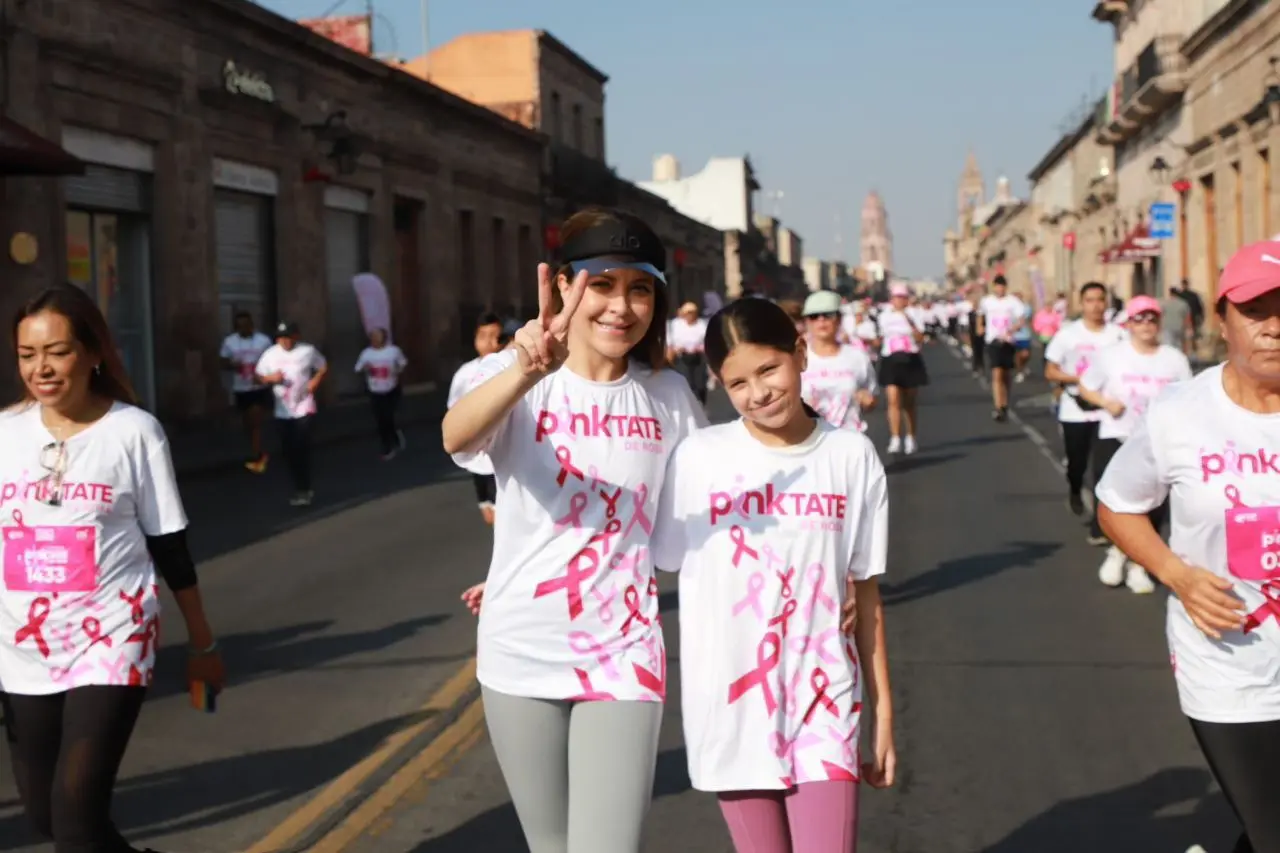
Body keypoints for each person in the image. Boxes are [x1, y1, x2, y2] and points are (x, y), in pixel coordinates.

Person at [443, 207, 706, 853]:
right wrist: (526, 371)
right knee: (552, 844)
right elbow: (458, 436)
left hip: (622, 649)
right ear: (563, 286)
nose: (621, 306)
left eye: (639, 288)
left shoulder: (669, 396)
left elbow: (705, 519)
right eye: (603, 284)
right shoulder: (506, 375)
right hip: (521, 644)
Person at [653, 297, 895, 853]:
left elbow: (867, 593)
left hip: (825, 700)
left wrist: (882, 715)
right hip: (733, 706)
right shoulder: (698, 458)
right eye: (738, 383)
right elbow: (641, 558)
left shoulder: (851, 456)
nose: (758, 393)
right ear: (719, 384)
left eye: (769, 369)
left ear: (800, 354)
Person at [0, 283, 225, 853]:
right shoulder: (4, 433)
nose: (41, 368)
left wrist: (202, 643)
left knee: (75, 823)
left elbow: (169, 543)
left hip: (112, 637)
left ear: (93, 352)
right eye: (28, 355)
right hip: (23, 646)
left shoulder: (133, 432)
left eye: (57, 351)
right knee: (50, 820)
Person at [1096, 240, 1280, 852]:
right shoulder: (1180, 414)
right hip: (1228, 661)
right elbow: (1118, 506)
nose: (1274, 327)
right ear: (1222, 318)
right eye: (1257, 310)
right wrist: (1177, 573)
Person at [1078, 295, 1193, 592]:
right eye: (1139, 319)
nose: (1146, 325)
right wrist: (1106, 401)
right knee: (1116, 503)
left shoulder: (1174, 359)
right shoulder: (1111, 356)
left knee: (1153, 507)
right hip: (1116, 435)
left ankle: (1139, 565)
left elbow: (1188, 399)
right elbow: (1085, 387)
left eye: (1152, 318)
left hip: (1158, 445)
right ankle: (1117, 552)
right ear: (1128, 323)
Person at [1044, 282, 1127, 519]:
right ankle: (1074, 488)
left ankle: (1102, 520)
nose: (1096, 306)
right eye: (1090, 300)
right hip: (1075, 408)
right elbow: (1050, 371)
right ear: (1081, 304)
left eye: (1100, 300)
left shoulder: (1118, 335)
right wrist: (1079, 379)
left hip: (1108, 410)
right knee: (1077, 463)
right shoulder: (1068, 335)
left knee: (1105, 467)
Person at [254, 322, 328, 508]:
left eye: (288, 337)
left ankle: (303, 490)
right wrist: (271, 379)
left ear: (296, 336)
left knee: (300, 448)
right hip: (282, 411)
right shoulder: (270, 354)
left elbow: (322, 366)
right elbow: (258, 376)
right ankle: (301, 485)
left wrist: (315, 381)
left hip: (304, 407)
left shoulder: (307, 351)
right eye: (281, 337)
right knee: (289, 451)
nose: (285, 341)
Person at [447, 312, 506, 526]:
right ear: (475, 339)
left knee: (503, 513)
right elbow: (454, 409)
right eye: (483, 336)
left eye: (495, 336)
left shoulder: (508, 367)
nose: (489, 342)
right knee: (487, 507)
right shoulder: (465, 373)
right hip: (477, 455)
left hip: (502, 452)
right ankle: (485, 505)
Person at [799, 290, 878, 433]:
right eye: (814, 316)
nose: (821, 320)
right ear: (806, 322)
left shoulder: (857, 357)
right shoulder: (796, 359)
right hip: (809, 441)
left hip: (849, 440)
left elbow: (871, 398)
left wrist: (868, 402)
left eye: (828, 315)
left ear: (839, 319)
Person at [875, 283, 928, 455]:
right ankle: (895, 437)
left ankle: (911, 437)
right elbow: (881, 337)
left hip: (911, 358)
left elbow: (920, 337)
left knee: (909, 403)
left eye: (903, 297)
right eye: (897, 297)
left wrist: (909, 321)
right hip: (891, 358)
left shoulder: (915, 314)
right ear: (892, 299)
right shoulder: (884, 316)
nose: (900, 300)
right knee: (893, 399)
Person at [218, 311, 273, 473]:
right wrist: (233, 365)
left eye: (246, 325)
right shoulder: (230, 342)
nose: (244, 329)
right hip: (241, 387)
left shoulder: (263, 341)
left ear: (252, 325)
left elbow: (272, 360)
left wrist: (264, 373)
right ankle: (255, 448)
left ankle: (256, 455)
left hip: (259, 386)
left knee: (255, 420)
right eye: (240, 326)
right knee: (247, 423)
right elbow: (222, 362)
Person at [354, 328, 408, 461]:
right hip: (375, 391)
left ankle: (394, 436)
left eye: (377, 337)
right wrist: (365, 368)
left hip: (392, 389)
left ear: (384, 338)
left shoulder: (393, 351)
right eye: (372, 337)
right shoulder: (366, 353)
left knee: (388, 416)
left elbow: (403, 363)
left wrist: (396, 371)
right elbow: (357, 368)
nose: (374, 340)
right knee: (381, 419)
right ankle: (387, 446)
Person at [978, 276, 1024, 422]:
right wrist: (979, 327)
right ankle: (999, 406)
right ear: (994, 287)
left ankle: (1006, 401)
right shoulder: (987, 301)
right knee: (996, 373)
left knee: (1006, 373)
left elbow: (1021, 319)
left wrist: (1014, 328)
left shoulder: (1013, 302)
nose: (1000, 289)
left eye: (1002, 286)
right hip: (993, 340)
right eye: (997, 286)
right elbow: (980, 314)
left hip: (1008, 341)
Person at [667, 301, 709, 405]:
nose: (690, 316)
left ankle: (701, 402)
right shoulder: (676, 324)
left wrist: (700, 348)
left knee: (700, 383)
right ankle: (690, 403)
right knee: (687, 381)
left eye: (692, 313)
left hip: (697, 357)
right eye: (688, 313)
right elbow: (670, 342)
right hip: (682, 357)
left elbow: (706, 341)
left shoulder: (701, 324)